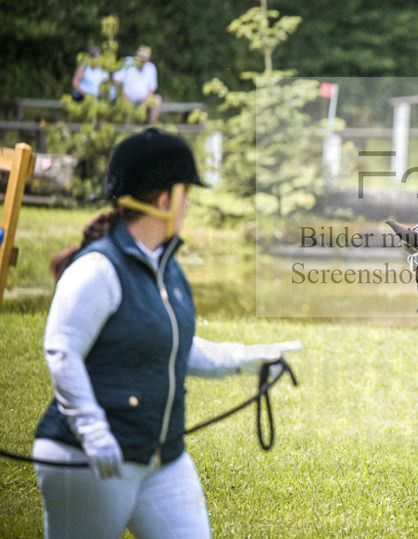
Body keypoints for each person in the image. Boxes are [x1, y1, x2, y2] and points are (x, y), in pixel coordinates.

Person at [34, 128, 301, 539]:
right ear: (164, 200)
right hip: (89, 458)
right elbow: (62, 350)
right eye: (185, 194)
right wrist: (92, 429)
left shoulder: (167, 267)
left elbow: (172, 346)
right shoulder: (97, 269)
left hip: (163, 458)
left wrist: (243, 359)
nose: (188, 204)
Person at [113, 45, 162, 122]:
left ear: (148, 58)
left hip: (144, 100)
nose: (142, 60)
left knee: (157, 100)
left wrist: (144, 102)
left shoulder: (151, 67)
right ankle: (125, 128)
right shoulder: (128, 62)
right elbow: (116, 79)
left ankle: (151, 125)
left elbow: (152, 88)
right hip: (126, 99)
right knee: (123, 105)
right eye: (141, 57)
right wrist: (123, 94)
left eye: (144, 58)